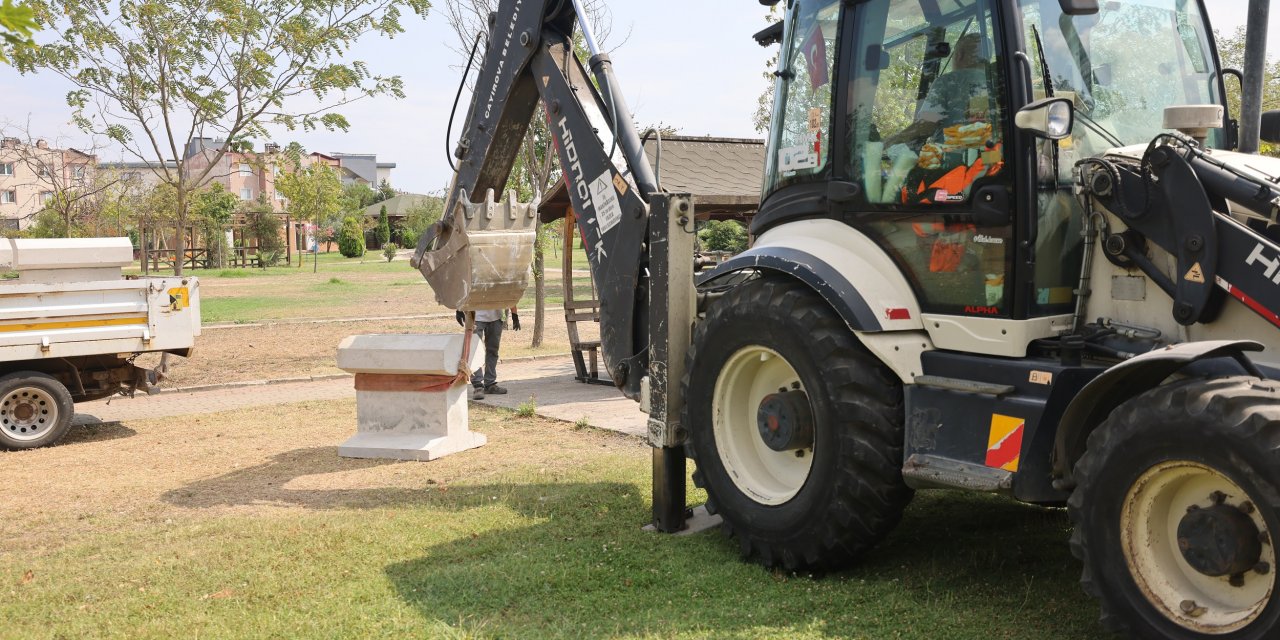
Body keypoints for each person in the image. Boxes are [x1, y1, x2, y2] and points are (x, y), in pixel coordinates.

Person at [456, 307, 521, 399]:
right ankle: (478, 385)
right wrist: (459, 309)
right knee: (474, 351)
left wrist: (514, 314)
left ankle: (490, 384)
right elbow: (464, 293)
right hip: (475, 318)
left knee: (493, 351)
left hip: (496, 318)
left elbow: (510, 294)